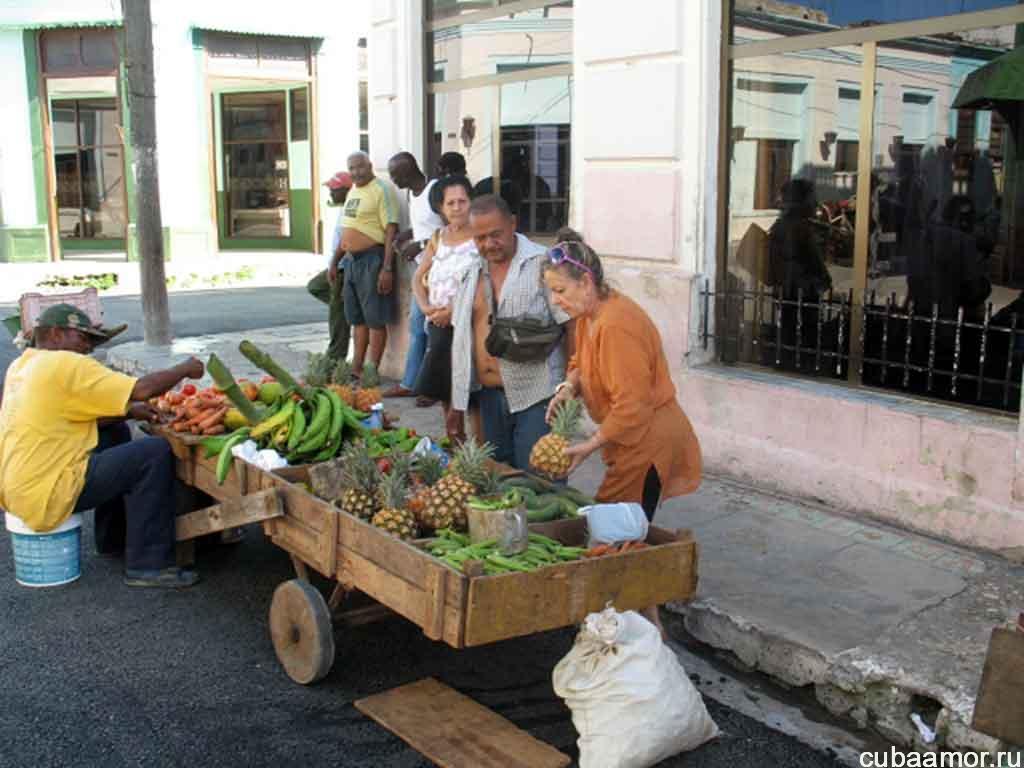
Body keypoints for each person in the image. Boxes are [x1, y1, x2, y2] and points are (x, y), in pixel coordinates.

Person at [540, 230, 702, 636]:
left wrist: (589, 446)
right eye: (551, 292)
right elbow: (579, 361)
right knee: (625, 537)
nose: (555, 300)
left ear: (586, 282)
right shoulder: (590, 316)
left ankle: (644, 634)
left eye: (559, 290)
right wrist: (568, 386)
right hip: (631, 439)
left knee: (616, 537)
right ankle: (647, 627)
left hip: (648, 442)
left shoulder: (616, 325)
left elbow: (632, 406)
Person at [0, 305, 206, 588]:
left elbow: (67, 413)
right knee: (153, 452)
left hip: (18, 487)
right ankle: (148, 566)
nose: (87, 348)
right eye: (82, 338)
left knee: (115, 431)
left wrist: (129, 412)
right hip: (49, 491)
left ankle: (112, 540)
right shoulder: (65, 364)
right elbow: (142, 389)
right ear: (57, 334)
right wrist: (185, 368)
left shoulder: (22, 365)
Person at [448, 194, 572, 469]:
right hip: (487, 399)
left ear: (513, 223)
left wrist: (568, 386)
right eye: (479, 238)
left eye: (496, 235)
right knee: (499, 486)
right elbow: (461, 339)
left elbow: (571, 325)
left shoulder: (543, 264)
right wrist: (457, 403)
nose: (488, 244)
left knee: (541, 485)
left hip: (537, 397)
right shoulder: (470, 271)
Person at [411, 176, 479, 422]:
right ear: (441, 207)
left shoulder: (480, 238)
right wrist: (427, 308)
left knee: (468, 393)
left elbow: (484, 283)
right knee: (443, 388)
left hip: (468, 323)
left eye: (462, 201)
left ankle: (474, 445)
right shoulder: (438, 237)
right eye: (450, 203)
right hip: (438, 322)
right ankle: (455, 441)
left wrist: (453, 310)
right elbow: (418, 278)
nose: (457, 207)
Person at [385, 152, 444, 401]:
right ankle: (411, 383)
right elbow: (426, 226)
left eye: (396, 175)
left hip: (442, 272)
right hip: (423, 273)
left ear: (409, 171)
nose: (393, 180)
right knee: (417, 329)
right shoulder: (413, 194)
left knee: (434, 332)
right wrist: (407, 235)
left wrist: (420, 246)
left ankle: (432, 387)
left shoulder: (434, 191)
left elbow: (450, 229)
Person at [341, 151, 401, 377]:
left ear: (370, 166)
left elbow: (390, 230)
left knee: (374, 319)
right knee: (357, 319)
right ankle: (356, 367)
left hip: (372, 260)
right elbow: (347, 226)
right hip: (351, 262)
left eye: (360, 167)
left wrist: (387, 268)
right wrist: (335, 261)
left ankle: (370, 371)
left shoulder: (381, 189)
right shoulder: (353, 190)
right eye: (352, 168)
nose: (356, 172)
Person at [307, 171, 353, 361]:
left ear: (346, 190)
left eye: (334, 190)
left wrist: (335, 263)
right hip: (337, 265)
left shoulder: (351, 207)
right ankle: (347, 309)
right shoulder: (343, 207)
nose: (331, 194)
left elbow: (347, 240)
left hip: (342, 266)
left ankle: (334, 360)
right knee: (315, 286)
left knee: (337, 320)